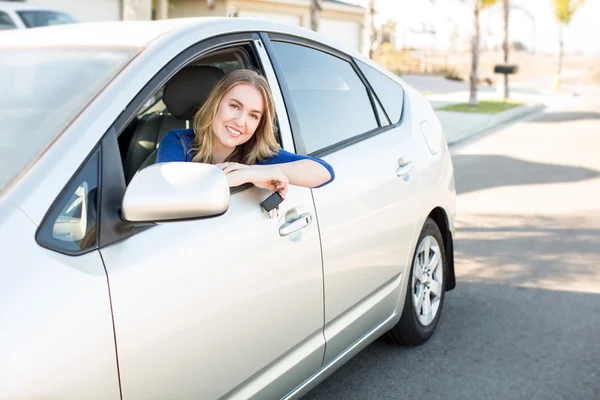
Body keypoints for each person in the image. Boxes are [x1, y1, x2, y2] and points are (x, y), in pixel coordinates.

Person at [156, 69, 334, 199]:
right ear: (215, 104)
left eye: (253, 115)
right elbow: (166, 196)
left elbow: (324, 172)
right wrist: (228, 179)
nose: (240, 122)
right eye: (234, 106)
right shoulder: (178, 142)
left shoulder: (258, 154)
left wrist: (252, 172)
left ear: (259, 124)